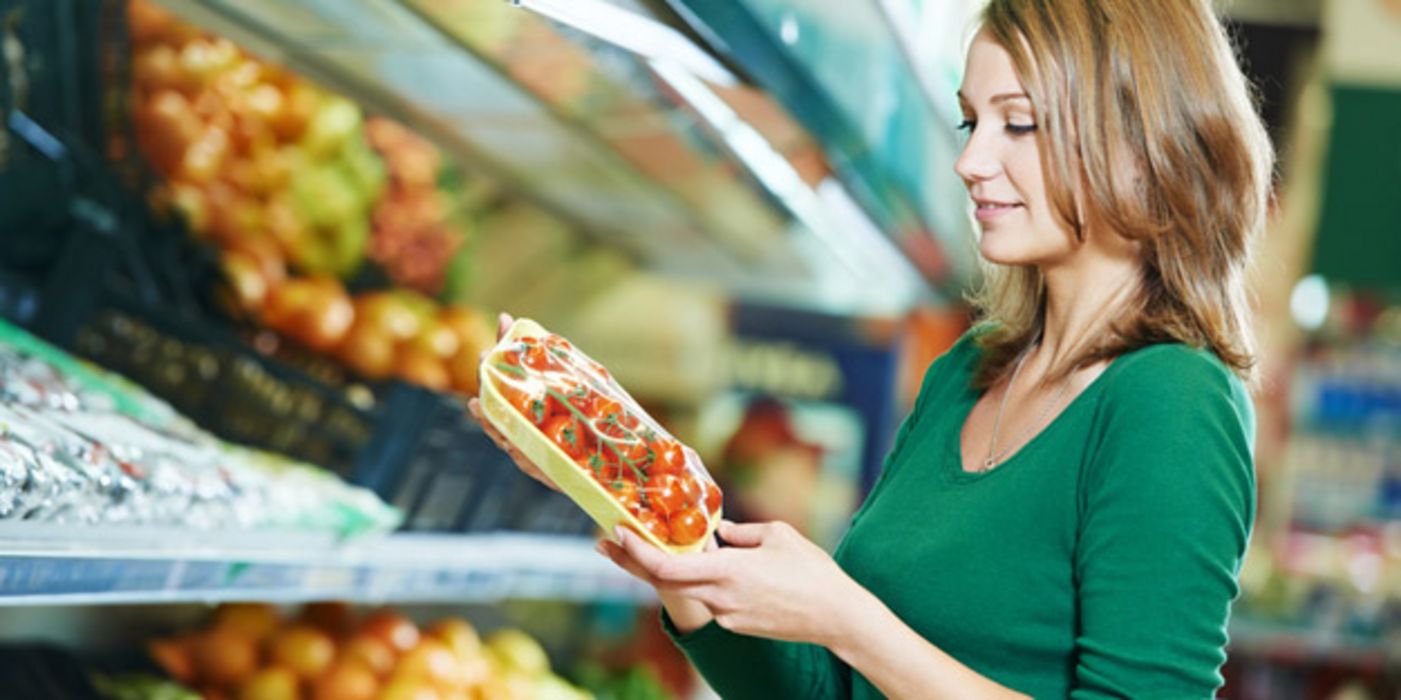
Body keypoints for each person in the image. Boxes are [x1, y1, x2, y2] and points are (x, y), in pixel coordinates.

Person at [468, 0, 1274, 695]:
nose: (970, 160)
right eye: (970, 120)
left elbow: (860, 642)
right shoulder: (968, 372)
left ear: (1140, 147)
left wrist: (848, 620)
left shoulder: (1172, 401)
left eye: (1018, 123)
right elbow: (832, 691)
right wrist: (651, 520)